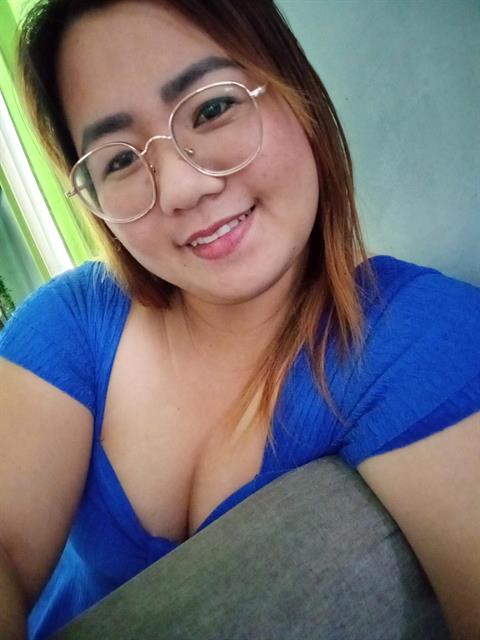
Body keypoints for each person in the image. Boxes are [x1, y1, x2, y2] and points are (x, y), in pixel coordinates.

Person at [0, 1, 479, 638]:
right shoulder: (71, 321)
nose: (180, 189)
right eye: (119, 160)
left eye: (212, 108)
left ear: (297, 93)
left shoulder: (425, 339)